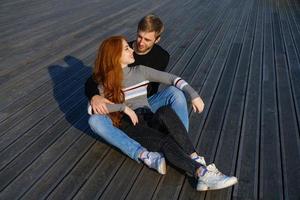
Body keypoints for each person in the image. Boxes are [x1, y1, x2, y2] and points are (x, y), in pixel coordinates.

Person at [88, 35, 238, 191]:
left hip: (148, 116)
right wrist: (123, 108)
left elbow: (173, 79)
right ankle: (202, 173)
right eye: (126, 48)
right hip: (131, 124)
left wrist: (193, 95)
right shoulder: (104, 83)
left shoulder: (140, 71)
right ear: (115, 56)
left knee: (165, 111)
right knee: (164, 141)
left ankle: (195, 158)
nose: (132, 49)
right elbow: (92, 109)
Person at [85, 15, 205, 173]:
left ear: (157, 39)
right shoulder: (121, 50)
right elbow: (93, 81)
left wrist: (194, 94)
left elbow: (168, 79)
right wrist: (96, 96)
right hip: (124, 109)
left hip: (147, 102)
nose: (141, 43)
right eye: (139, 36)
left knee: (175, 93)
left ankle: (182, 145)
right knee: (95, 120)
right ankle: (144, 153)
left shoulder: (161, 57)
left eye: (147, 40)